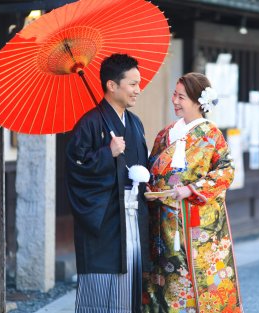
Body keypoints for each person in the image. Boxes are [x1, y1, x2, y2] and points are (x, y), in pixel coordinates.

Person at [142, 72, 244, 312]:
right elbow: (153, 168)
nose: (175, 101)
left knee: (191, 277)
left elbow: (226, 171)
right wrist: (149, 185)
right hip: (162, 219)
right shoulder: (165, 134)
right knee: (162, 277)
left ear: (199, 102)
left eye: (181, 97)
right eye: (174, 95)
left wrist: (191, 189)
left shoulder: (211, 135)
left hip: (193, 220)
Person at [66, 53, 150, 313]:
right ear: (112, 85)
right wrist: (106, 153)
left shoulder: (134, 123)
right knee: (104, 285)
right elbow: (75, 168)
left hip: (133, 213)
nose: (138, 90)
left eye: (139, 83)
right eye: (132, 84)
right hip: (105, 219)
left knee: (132, 276)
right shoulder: (89, 124)